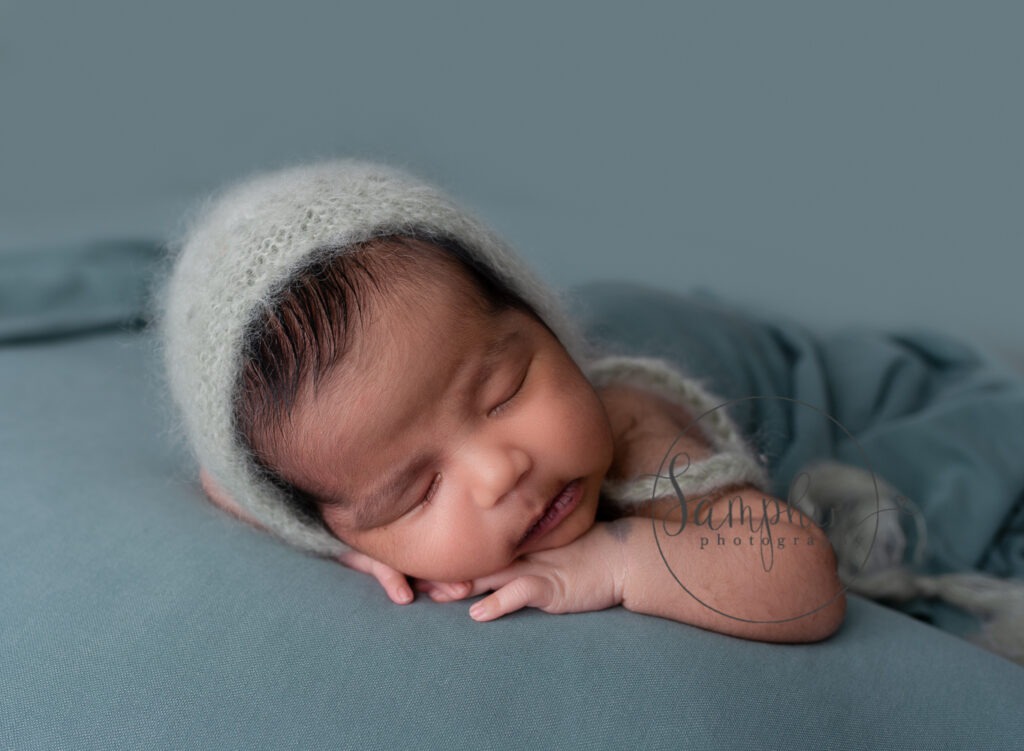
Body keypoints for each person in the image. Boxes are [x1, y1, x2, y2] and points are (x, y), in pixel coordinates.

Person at [160, 160, 846, 643]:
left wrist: (621, 560)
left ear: (541, 320)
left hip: (713, 339)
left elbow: (801, 578)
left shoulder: (636, 432)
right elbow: (227, 482)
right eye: (417, 492)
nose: (500, 472)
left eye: (503, 393)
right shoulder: (331, 489)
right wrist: (344, 546)